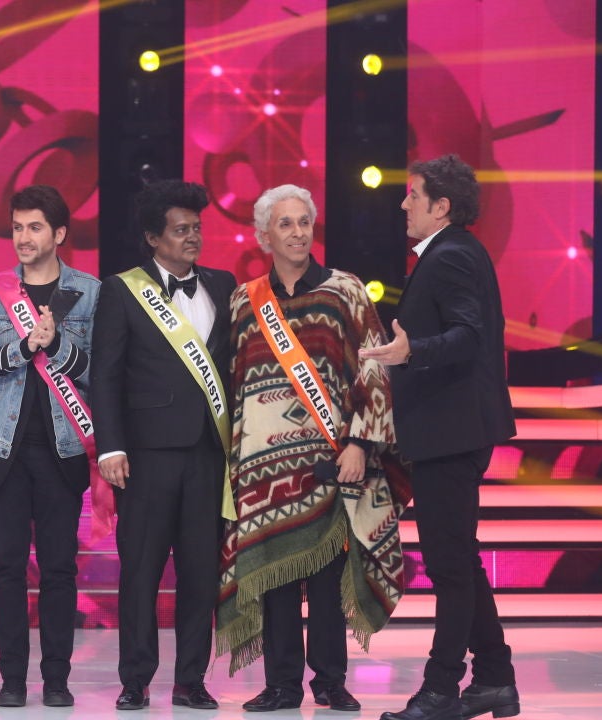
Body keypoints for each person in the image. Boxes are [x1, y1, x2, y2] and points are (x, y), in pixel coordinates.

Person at [214, 184, 410, 713]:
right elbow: (233, 382)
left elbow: (373, 368)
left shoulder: (344, 290)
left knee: (326, 580)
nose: (298, 232)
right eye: (285, 224)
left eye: (304, 221)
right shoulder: (243, 300)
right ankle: (281, 685)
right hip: (262, 469)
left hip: (331, 460)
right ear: (264, 235)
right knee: (274, 574)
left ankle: (329, 681)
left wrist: (360, 443)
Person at [362, 154, 519, 720]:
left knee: (450, 566)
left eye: (413, 195)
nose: (403, 203)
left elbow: (469, 335)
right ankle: (495, 678)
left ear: (442, 206)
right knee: (460, 559)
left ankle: (441, 689)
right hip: (450, 431)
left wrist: (412, 352)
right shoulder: (455, 252)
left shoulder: (450, 255)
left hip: (451, 432)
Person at [90, 179, 235, 711]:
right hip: (146, 457)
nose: (192, 237)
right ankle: (135, 679)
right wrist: (110, 447)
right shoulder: (122, 290)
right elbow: (105, 375)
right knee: (141, 573)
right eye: (180, 230)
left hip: (208, 454)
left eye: (196, 228)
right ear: (153, 238)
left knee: (200, 575)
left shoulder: (223, 284)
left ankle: (191, 680)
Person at [0, 185, 100, 708]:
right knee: (7, 569)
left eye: (35, 227)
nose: (24, 237)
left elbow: (101, 372)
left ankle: (57, 679)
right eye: (18, 227)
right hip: (4, 452)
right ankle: (12, 679)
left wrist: (57, 345)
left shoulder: (89, 292)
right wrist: (23, 348)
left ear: (59, 233)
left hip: (64, 451)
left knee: (60, 569)